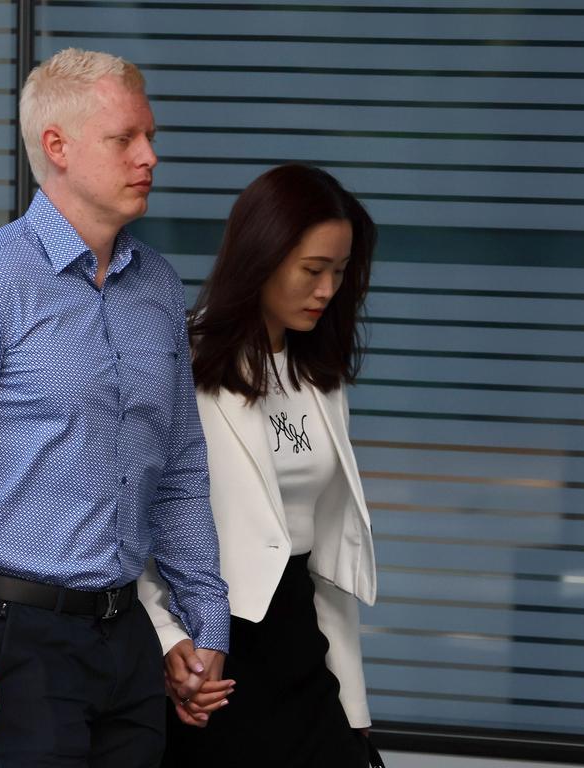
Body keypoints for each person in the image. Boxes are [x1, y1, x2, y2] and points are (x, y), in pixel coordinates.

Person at [0, 48, 230, 768]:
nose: (149, 157)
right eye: (125, 139)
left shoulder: (159, 289)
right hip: (19, 636)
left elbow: (180, 468)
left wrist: (205, 624)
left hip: (127, 637)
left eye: (152, 136)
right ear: (58, 147)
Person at [138, 163, 382, 767]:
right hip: (217, 647)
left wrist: (354, 711)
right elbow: (137, 519)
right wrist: (169, 639)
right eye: (313, 270)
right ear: (262, 258)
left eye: (340, 272)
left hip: (300, 639)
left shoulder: (319, 377)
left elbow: (324, 557)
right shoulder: (184, 362)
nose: (327, 290)